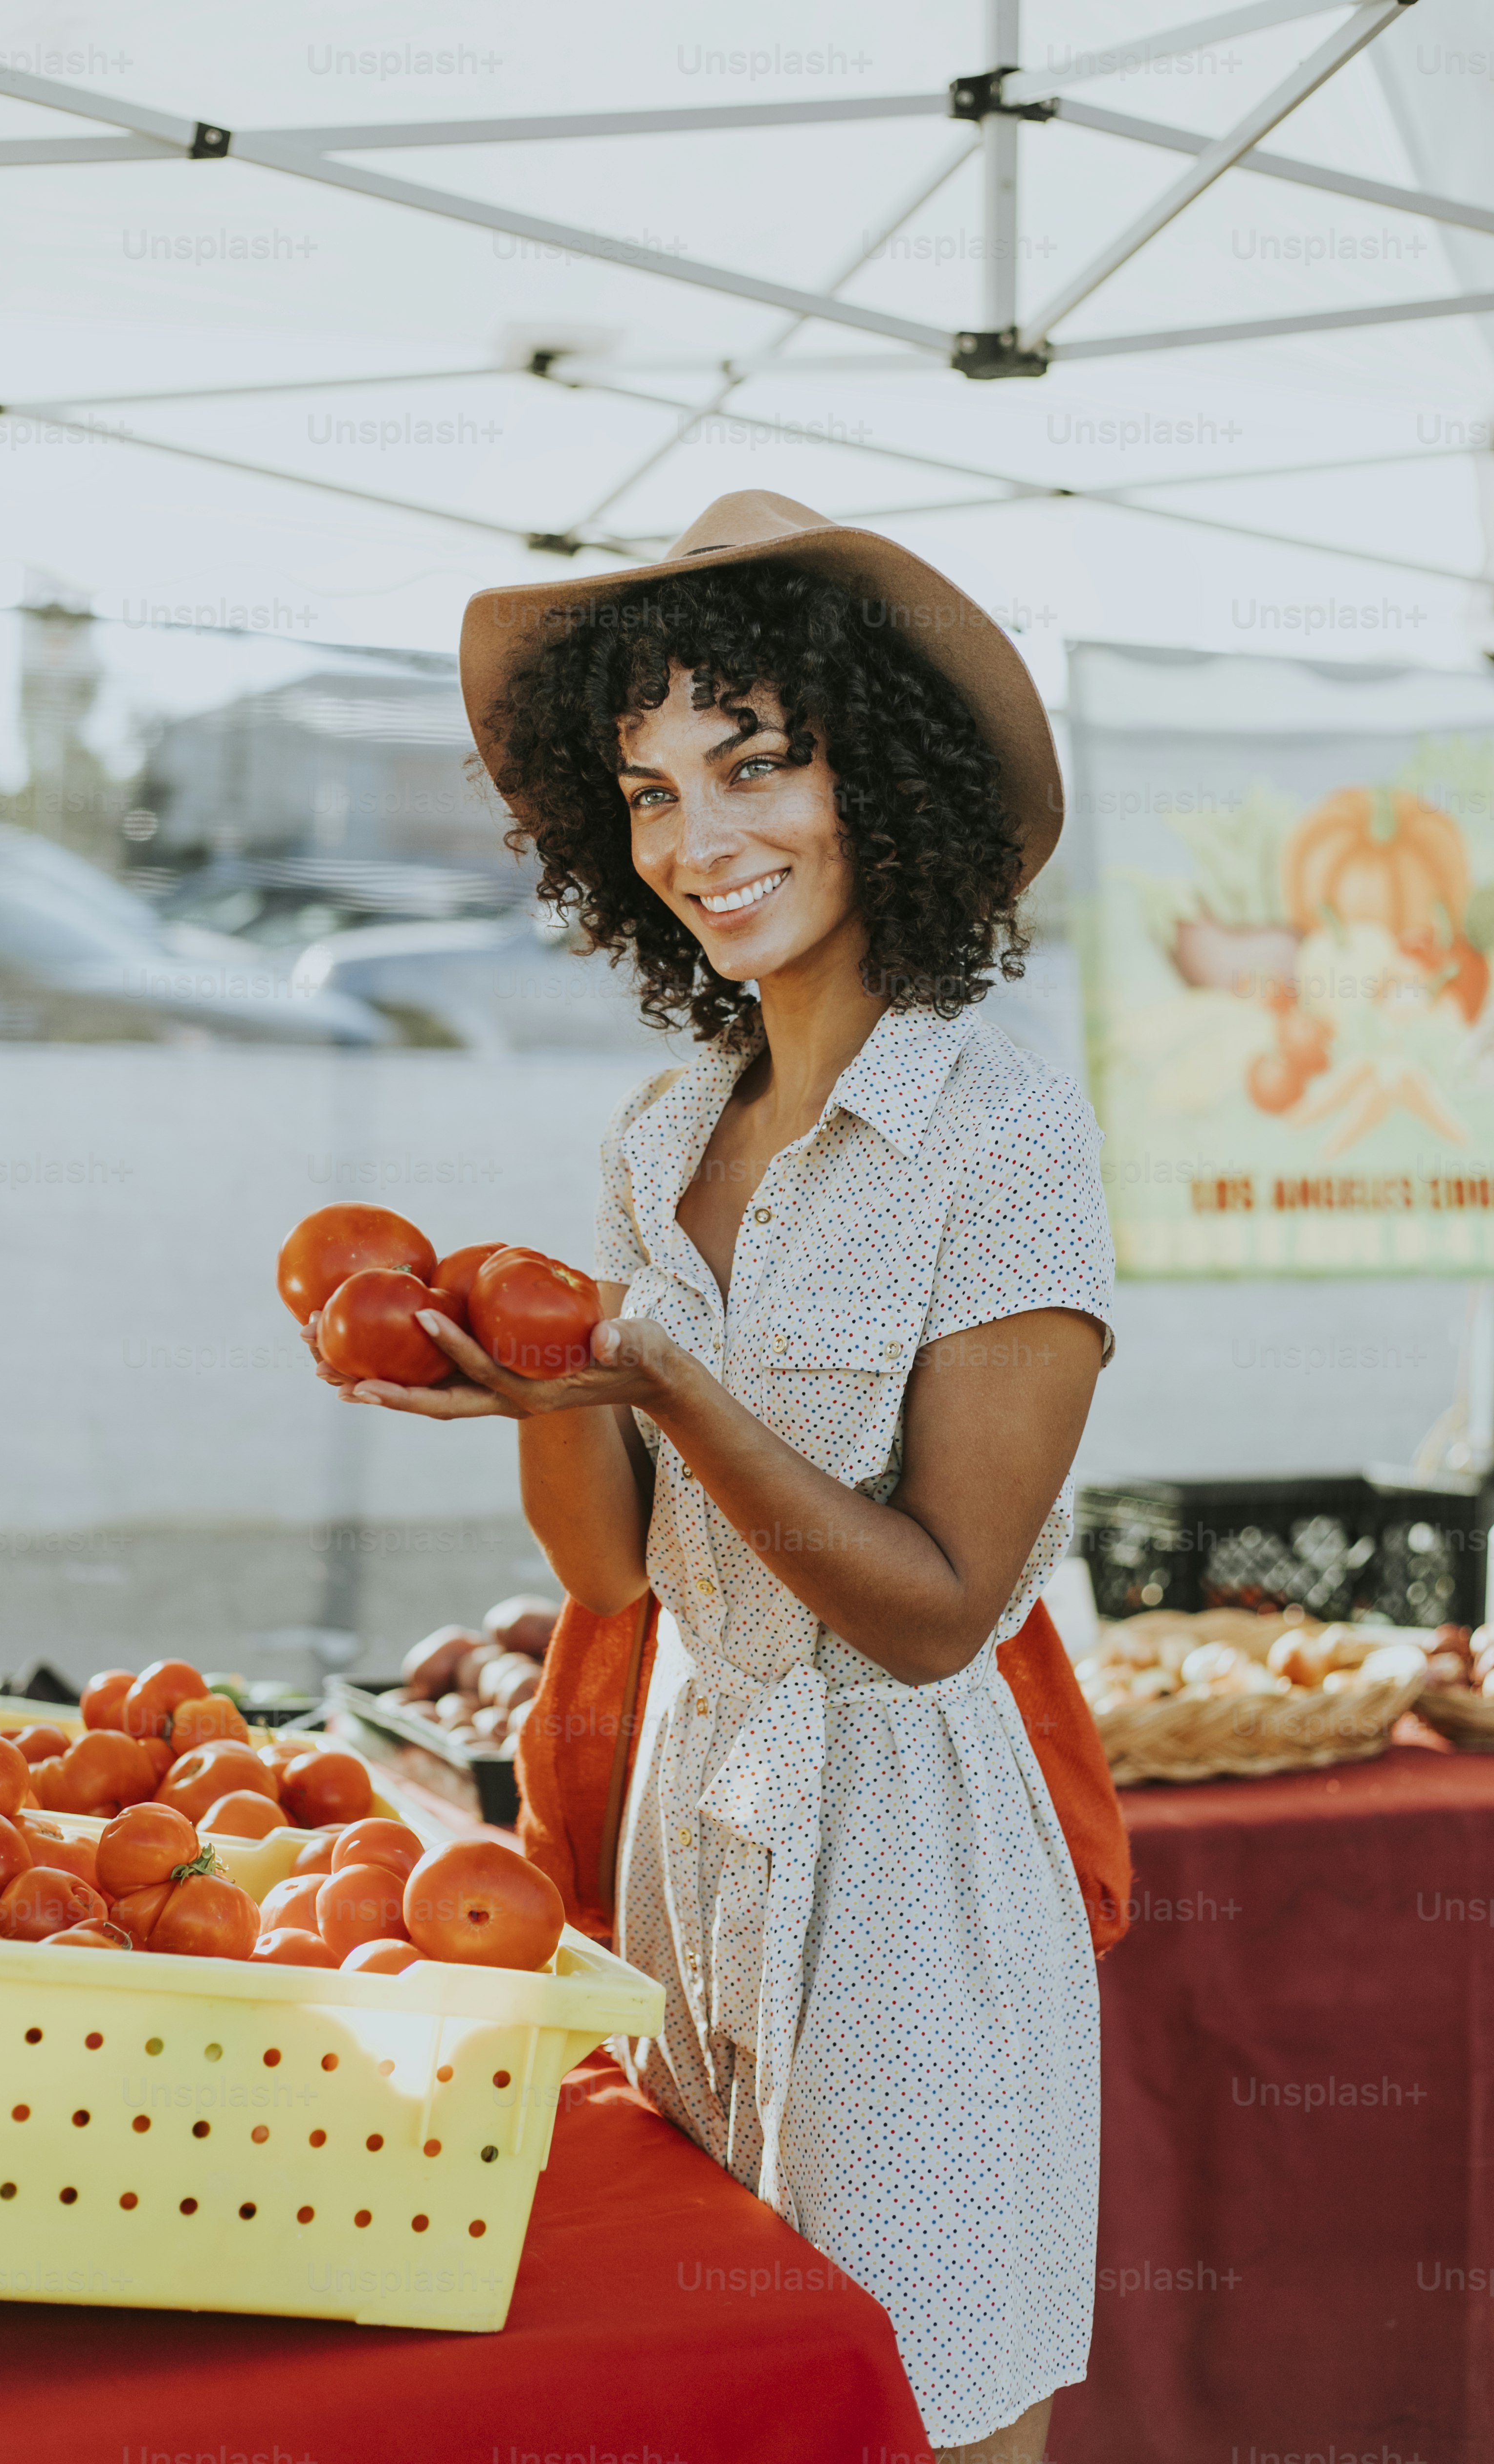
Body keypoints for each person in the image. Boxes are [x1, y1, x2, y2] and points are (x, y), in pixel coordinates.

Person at [311, 493, 1114, 2464]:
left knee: (920, 2411)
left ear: (884, 777)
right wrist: (549, 1387)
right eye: (651, 791)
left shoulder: (996, 1119)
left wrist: (664, 1371)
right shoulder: (666, 1132)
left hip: (909, 1873)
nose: (702, 841)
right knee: (728, 2406)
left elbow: (939, 1614)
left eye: (759, 764)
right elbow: (615, 1578)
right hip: (693, 1824)